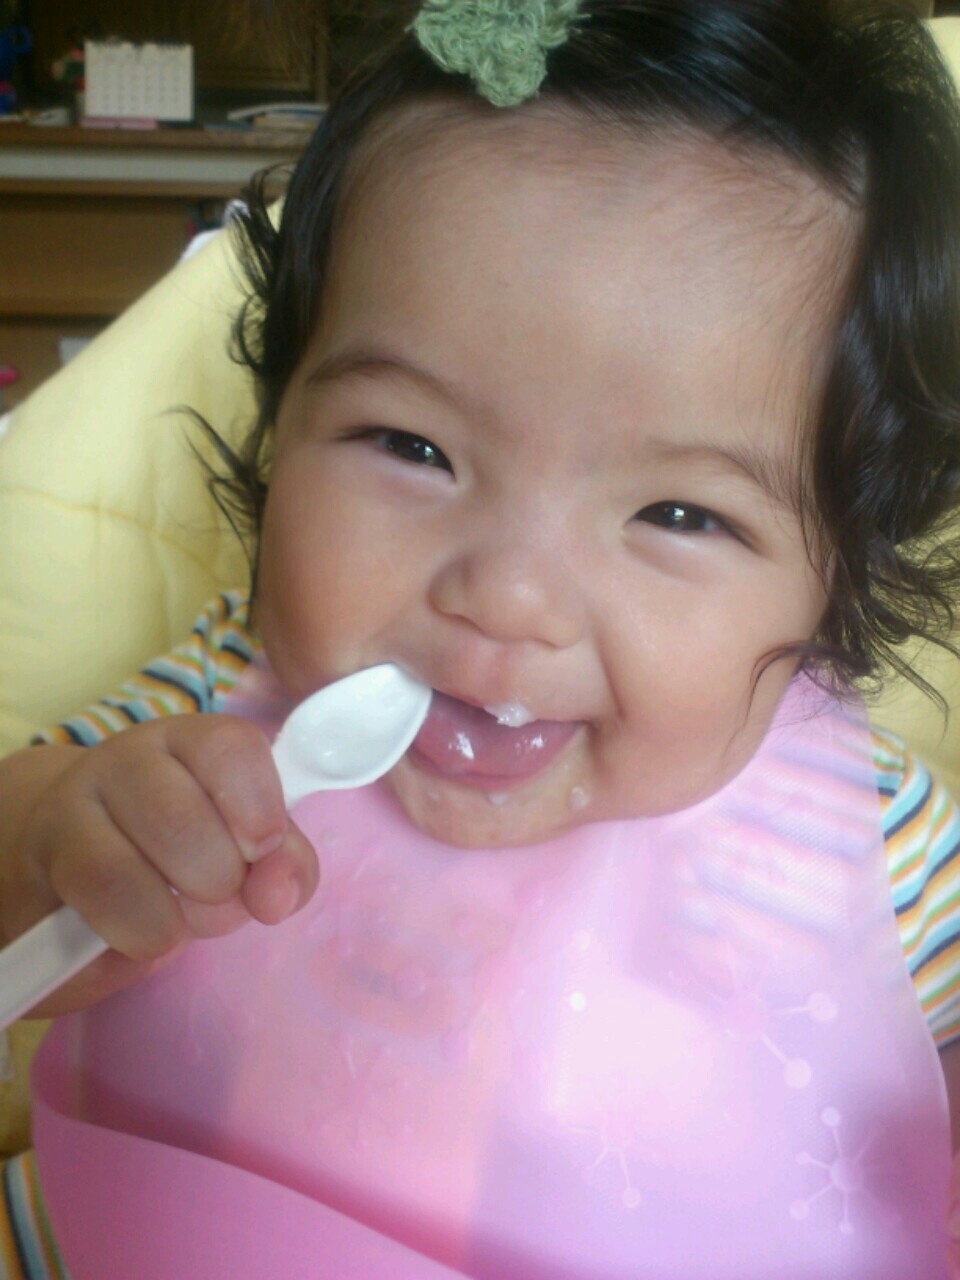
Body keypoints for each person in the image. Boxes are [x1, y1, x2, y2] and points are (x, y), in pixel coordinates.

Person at [3, 0, 960, 1275]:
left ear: (835, 578)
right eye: (412, 446)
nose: (507, 597)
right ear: (279, 428)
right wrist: (59, 833)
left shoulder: (868, 842)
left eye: (678, 514)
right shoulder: (221, 713)